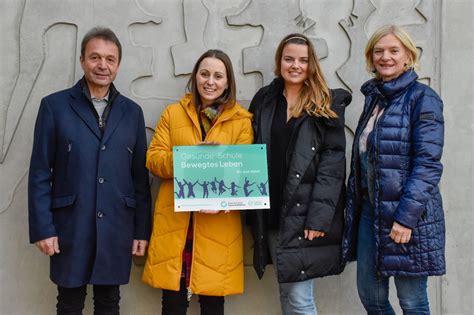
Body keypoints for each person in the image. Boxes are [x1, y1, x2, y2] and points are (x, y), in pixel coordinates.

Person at [28, 26, 151, 314]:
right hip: (70, 224)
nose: (102, 65)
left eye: (110, 59)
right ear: (82, 60)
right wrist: (43, 229)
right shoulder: (54, 106)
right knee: (69, 302)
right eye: (95, 57)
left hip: (117, 226)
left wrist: (141, 231)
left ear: (118, 65)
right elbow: (40, 174)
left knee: (109, 302)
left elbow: (139, 180)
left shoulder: (132, 113)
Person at [342, 25, 445, 314]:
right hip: (371, 214)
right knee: (371, 298)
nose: (385, 57)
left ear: (408, 57)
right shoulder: (374, 99)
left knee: (412, 301)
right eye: (378, 51)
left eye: (393, 50)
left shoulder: (423, 98)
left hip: (408, 218)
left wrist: (405, 219)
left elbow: (428, 164)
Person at [142, 49, 253, 315]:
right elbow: (154, 160)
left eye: (218, 75)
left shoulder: (241, 122)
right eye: (204, 74)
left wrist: (225, 203)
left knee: (213, 306)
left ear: (228, 82)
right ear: (195, 77)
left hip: (217, 228)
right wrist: (191, 159)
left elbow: (243, 176)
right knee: (172, 305)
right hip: (176, 226)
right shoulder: (172, 114)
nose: (210, 81)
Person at [249, 33, 352, 314]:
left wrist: (319, 218)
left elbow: (332, 169)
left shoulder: (325, 105)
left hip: (305, 216)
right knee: (287, 292)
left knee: (299, 298)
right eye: (289, 58)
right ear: (279, 61)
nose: (295, 65)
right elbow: (247, 147)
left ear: (312, 64)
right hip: (272, 213)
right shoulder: (265, 100)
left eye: (303, 60)